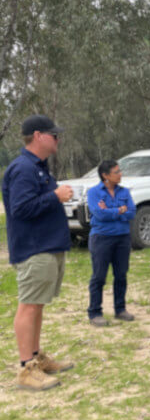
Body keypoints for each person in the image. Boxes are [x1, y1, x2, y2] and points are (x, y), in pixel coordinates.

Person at [2, 115, 74, 391]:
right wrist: (55, 196)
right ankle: (25, 369)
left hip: (47, 245)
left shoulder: (38, 168)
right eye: (53, 134)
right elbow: (20, 209)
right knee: (29, 305)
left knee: (38, 304)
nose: (57, 139)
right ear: (38, 136)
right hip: (34, 248)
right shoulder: (23, 169)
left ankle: (36, 357)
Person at [86, 160, 137, 326]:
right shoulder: (94, 192)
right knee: (99, 276)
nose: (120, 174)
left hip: (122, 237)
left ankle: (120, 309)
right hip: (101, 238)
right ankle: (95, 313)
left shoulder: (124, 191)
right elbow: (100, 215)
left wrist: (110, 210)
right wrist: (120, 210)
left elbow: (132, 212)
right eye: (116, 172)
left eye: (120, 171)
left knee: (121, 275)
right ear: (105, 176)